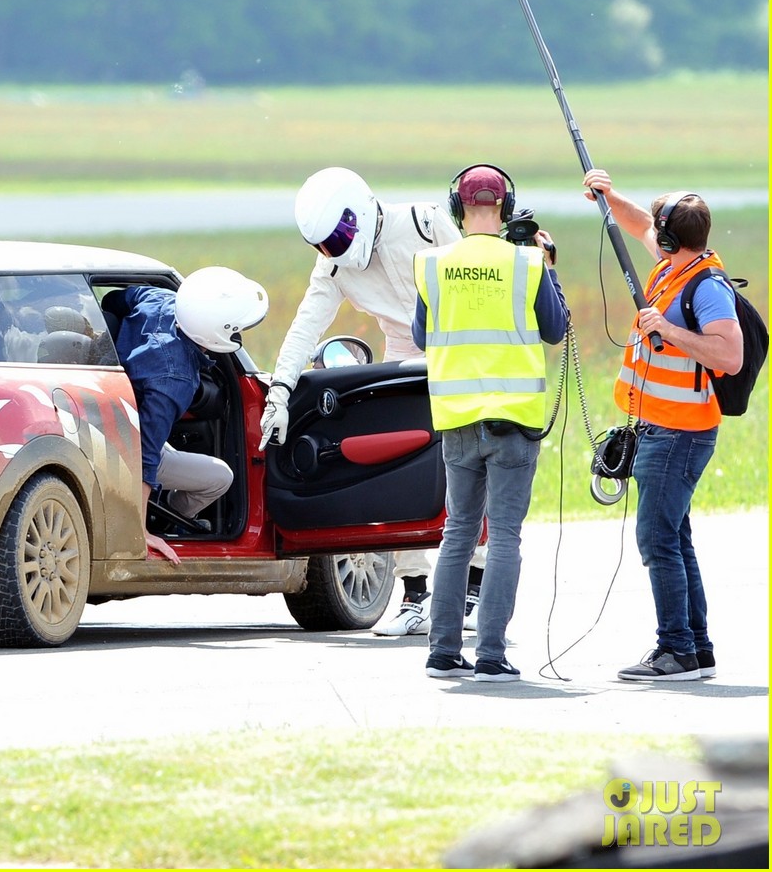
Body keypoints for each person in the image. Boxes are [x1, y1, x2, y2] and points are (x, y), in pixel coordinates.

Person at [257, 165, 487, 636]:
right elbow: (306, 327)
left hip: (461, 349)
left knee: (471, 466)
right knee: (402, 478)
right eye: (321, 245)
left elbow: (476, 274)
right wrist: (279, 393)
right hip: (402, 361)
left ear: (357, 215)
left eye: (336, 239)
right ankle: (416, 594)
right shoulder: (334, 267)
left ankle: (475, 590)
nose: (331, 251)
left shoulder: (424, 223)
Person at [583, 169, 741, 682]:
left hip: (679, 433)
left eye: (660, 229)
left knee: (656, 538)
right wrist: (607, 196)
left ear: (676, 237)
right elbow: (637, 227)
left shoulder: (706, 287)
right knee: (676, 536)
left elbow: (731, 356)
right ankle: (696, 649)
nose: (654, 235)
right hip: (659, 426)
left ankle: (673, 651)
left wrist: (668, 329)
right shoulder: (674, 265)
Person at [414, 164, 567, 682]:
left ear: (457, 207)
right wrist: (550, 268)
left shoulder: (432, 264)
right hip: (513, 419)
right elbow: (555, 329)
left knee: (458, 532)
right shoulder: (527, 262)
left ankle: (441, 652)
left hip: (457, 418)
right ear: (505, 208)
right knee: (503, 537)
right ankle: (492, 656)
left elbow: (420, 335)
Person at [105, 266, 269, 565]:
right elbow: (145, 457)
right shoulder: (173, 380)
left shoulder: (161, 300)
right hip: (125, 446)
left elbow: (114, 301)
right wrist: (138, 532)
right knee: (221, 477)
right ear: (216, 334)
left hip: (117, 420)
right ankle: (168, 517)